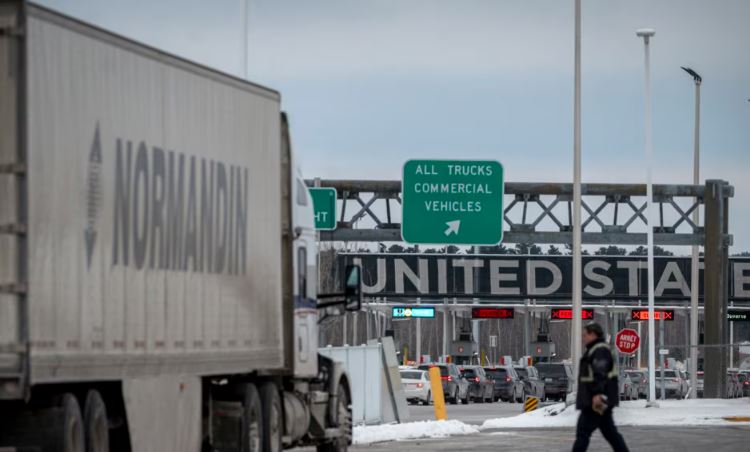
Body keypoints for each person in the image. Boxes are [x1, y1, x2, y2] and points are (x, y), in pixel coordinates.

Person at [572, 323, 629, 452]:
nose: (583, 338)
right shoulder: (596, 349)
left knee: (583, 432)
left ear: (593, 334)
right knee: (610, 433)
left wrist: (597, 394)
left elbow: (600, 372)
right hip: (597, 399)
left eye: (585, 335)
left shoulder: (600, 350)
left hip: (595, 400)